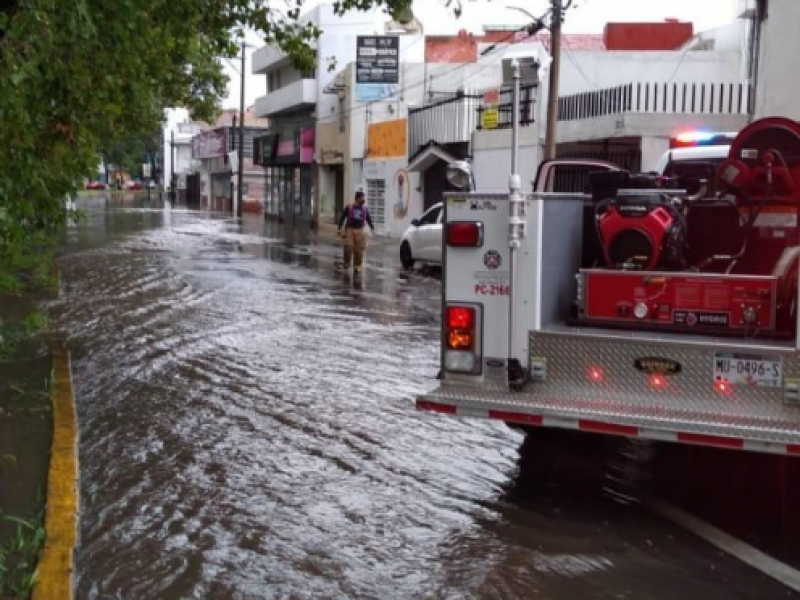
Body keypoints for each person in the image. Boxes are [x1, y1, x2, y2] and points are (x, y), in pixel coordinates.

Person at [337, 191, 375, 275]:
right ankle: (346, 265)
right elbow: (342, 217)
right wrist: (339, 228)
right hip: (350, 229)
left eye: (364, 197)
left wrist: (372, 228)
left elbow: (368, 218)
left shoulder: (365, 209)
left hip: (360, 230)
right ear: (357, 198)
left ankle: (357, 266)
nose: (363, 199)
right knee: (348, 247)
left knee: (359, 250)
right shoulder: (349, 207)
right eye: (362, 197)